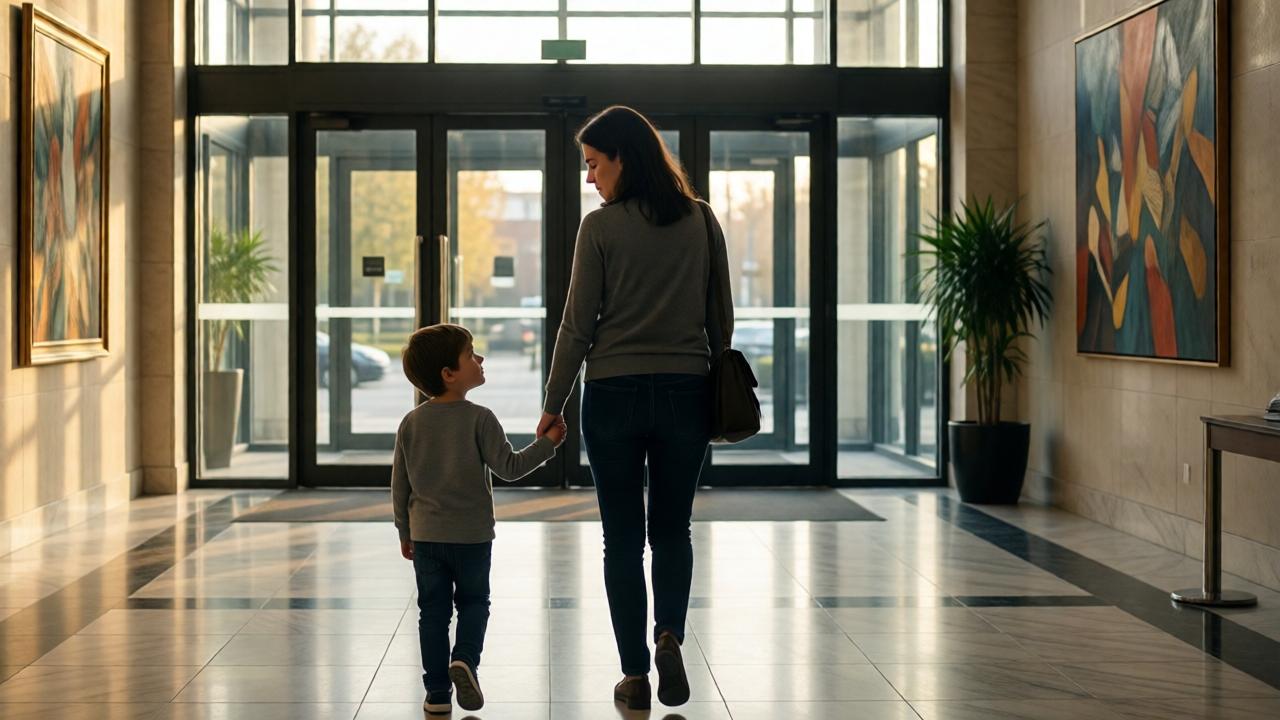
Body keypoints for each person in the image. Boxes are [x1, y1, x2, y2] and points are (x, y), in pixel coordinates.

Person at [537, 105, 734, 710]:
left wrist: (553, 403)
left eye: (595, 165)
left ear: (623, 157)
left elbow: (576, 326)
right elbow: (720, 318)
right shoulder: (700, 221)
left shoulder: (599, 230)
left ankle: (634, 674)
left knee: (621, 539)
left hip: (615, 394)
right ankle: (669, 634)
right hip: (685, 392)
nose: (590, 179)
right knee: (673, 530)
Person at [392, 323, 566, 715]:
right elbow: (510, 467)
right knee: (474, 603)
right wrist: (548, 445)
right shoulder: (480, 418)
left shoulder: (411, 423)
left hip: (427, 537)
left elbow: (400, 487)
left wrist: (405, 532)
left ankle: (437, 693)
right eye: (471, 354)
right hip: (471, 537)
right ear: (449, 374)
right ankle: (465, 660)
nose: (480, 359)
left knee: (432, 612)